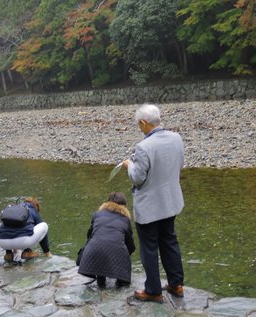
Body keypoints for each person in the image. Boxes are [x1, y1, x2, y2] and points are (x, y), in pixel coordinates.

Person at [122, 104, 185, 302]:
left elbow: (137, 178)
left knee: (149, 247)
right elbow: (179, 164)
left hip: (149, 206)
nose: (139, 129)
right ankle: (176, 284)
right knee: (169, 242)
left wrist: (128, 165)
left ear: (144, 123)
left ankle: (153, 290)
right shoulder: (176, 138)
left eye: (139, 125)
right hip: (171, 202)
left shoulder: (143, 147)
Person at [78, 192, 135, 288]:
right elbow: (130, 243)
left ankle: (101, 279)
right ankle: (121, 281)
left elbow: (90, 235)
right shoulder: (125, 219)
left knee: (99, 245)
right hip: (117, 253)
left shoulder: (97, 214)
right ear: (124, 206)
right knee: (119, 250)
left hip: (93, 252)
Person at [0, 196, 52, 262]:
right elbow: (42, 233)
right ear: (36, 206)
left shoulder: (13, 209)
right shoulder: (32, 209)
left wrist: (14, 249)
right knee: (43, 225)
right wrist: (47, 253)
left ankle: (8, 253)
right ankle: (27, 252)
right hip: (23, 241)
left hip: (2, 241)